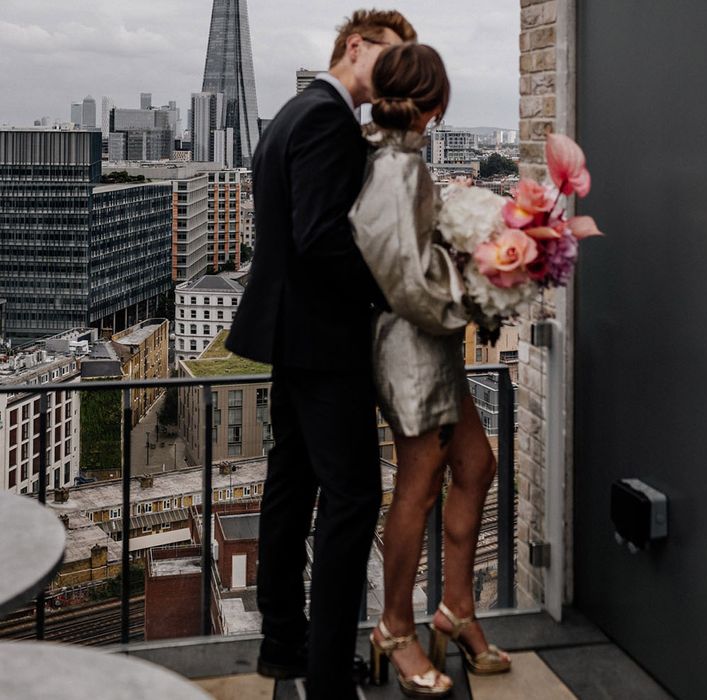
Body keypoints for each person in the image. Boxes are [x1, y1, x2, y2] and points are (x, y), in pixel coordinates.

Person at [225, 10, 417, 700]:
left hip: (291, 334)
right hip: (323, 336)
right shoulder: (326, 119)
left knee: (293, 483)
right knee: (353, 498)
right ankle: (330, 672)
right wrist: (397, 283)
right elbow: (322, 239)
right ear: (355, 48)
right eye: (389, 58)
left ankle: (284, 642)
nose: (395, 74)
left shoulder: (293, 113)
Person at [349, 43, 512, 698]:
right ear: (436, 105)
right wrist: (483, 287)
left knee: (477, 466)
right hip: (412, 350)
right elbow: (409, 282)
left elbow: (415, 253)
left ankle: (456, 608)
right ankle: (393, 626)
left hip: (431, 347)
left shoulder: (403, 163)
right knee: (418, 486)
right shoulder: (395, 170)